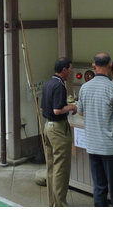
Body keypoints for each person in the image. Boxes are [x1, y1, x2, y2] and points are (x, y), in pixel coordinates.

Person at [77, 52, 113, 207]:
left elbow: (81, 112)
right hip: (112, 147)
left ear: (93, 66)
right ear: (109, 66)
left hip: (93, 145)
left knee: (99, 185)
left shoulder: (84, 88)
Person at [40, 57, 77, 207]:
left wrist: (66, 105)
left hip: (47, 127)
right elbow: (58, 109)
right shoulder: (60, 86)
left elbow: (44, 108)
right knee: (61, 167)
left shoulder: (48, 84)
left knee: (51, 166)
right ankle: (60, 204)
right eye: (70, 69)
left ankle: (52, 203)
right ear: (64, 70)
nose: (71, 72)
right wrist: (72, 107)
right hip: (58, 129)